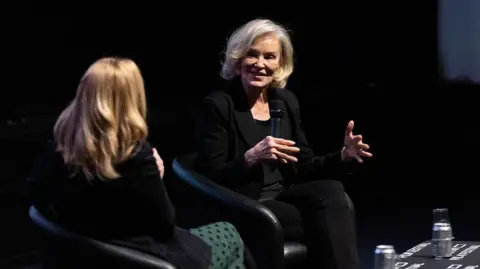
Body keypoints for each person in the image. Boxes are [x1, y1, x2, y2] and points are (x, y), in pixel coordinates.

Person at [26, 57, 254, 269]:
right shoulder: (136, 156)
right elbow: (165, 225)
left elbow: (36, 196)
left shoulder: (60, 146)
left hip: (88, 255)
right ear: (131, 97)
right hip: (139, 257)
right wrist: (158, 173)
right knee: (229, 235)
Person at [195, 19, 373, 269]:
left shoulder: (285, 102)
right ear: (237, 59)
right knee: (326, 221)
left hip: (284, 196)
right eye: (252, 55)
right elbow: (209, 175)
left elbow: (304, 164)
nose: (260, 64)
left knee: (332, 192)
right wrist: (251, 157)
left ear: (280, 64)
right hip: (246, 204)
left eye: (269, 57)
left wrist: (341, 156)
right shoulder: (218, 105)